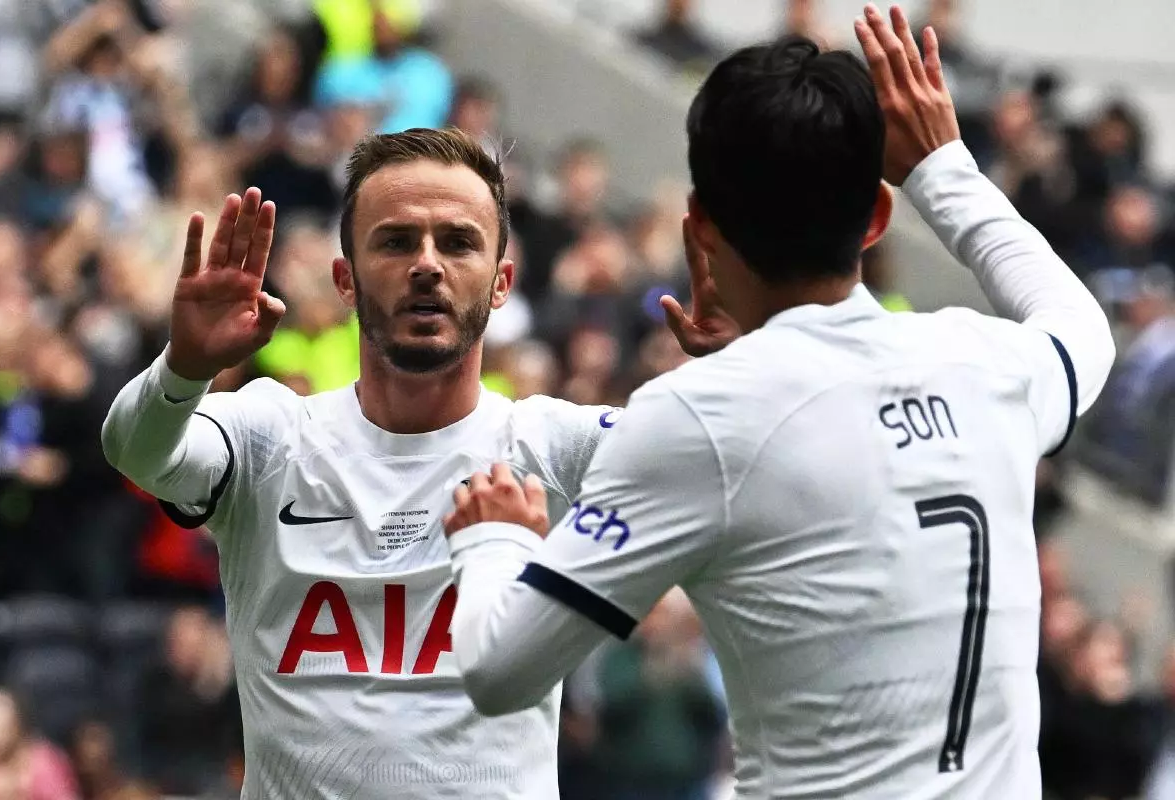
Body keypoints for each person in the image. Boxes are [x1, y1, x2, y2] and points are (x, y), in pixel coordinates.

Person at [440, 6, 1116, 799]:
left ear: (699, 232)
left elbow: (498, 670)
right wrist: (943, 165)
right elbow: (1082, 330)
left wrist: (491, 540)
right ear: (876, 218)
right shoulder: (988, 363)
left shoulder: (700, 418)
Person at [100, 127, 622, 798]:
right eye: (397, 240)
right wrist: (184, 368)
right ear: (344, 279)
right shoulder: (272, 434)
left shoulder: (551, 445)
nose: (427, 264)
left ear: (502, 284)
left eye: (458, 242)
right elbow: (136, 450)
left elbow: (730, 470)